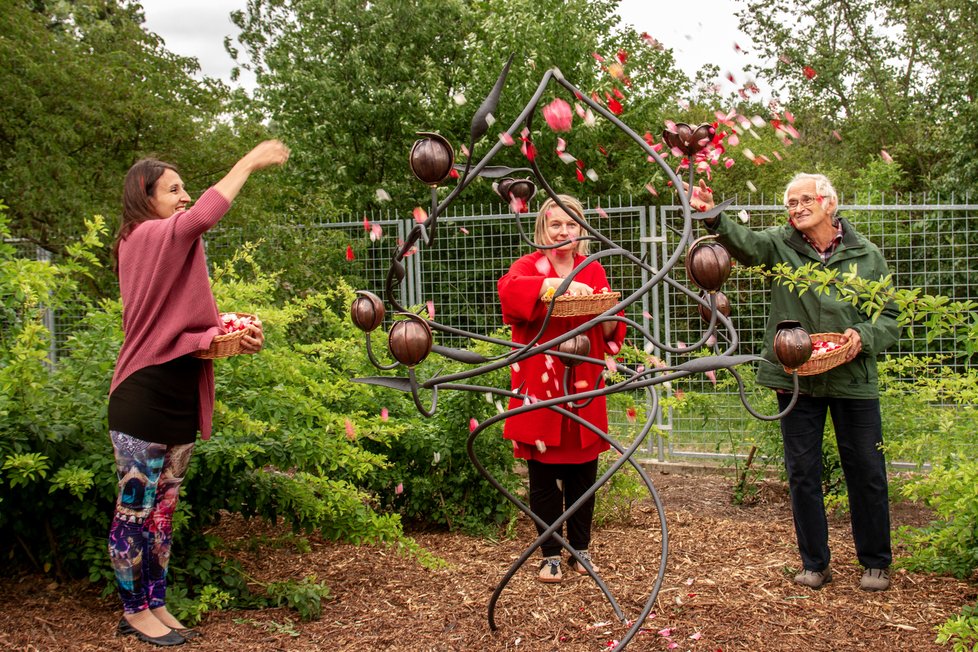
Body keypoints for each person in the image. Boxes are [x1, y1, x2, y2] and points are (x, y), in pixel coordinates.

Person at [107, 140, 290, 646]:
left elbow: (176, 332)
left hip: (179, 398)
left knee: (163, 515)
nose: (184, 196)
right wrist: (249, 162)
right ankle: (133, 610)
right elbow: (202, 217)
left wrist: (217, 338)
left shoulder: (166, 243)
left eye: (185, 187)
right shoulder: (143, 237)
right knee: (135, 511)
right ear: (145, 198)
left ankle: (156, 603)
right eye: (173, 189)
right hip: (141, 398)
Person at [689, 173, 900, 592]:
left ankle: (875, 561)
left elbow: (888, 316)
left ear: (829, 203)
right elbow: (745, 244)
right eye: (790, 202)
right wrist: (713, 217)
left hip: (852, 378)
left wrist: (864, 334)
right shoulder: (780, 246)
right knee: (802, 473)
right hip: (796, 377)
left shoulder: (866, 254)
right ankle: (815, 564)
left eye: (805, 199)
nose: (797, 208)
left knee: (867, 471)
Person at [497, 194, 626, 583]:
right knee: (542, 477)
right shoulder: (527, 266)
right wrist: (549, 284)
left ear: (581, 229)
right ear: (543, 229)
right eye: (556, 224)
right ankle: (551, 554)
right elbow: (508, 292)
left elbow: (611, 325)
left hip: (583, 382)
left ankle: (581, 551)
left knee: (584, 474)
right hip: (540, 384)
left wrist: (606, 315)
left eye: (571, 224)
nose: (564, 231)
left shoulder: (593, 269)